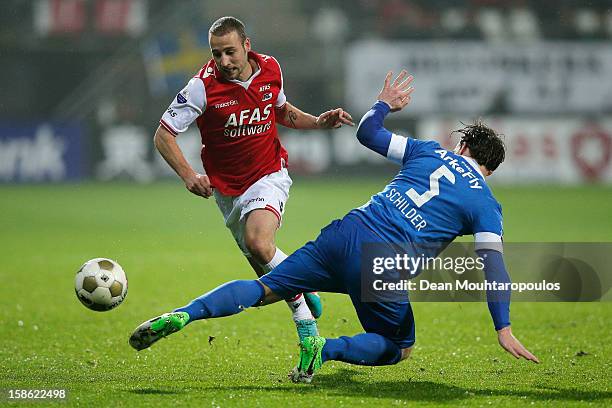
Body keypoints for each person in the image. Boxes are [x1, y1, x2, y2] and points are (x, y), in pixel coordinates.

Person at [131, 70, 539, 383]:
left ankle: (184, 315)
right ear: (489, 169)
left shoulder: (429, 151)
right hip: (383, 265)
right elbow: (494, 269)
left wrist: (382, 104)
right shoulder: (486, 204)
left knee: (265, 289)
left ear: (462, 148)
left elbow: (367, 133)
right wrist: (502, 327)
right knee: (400, 347)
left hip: (346, 232)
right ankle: (323, 349)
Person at [154, 16, 354, 341]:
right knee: (269, 276)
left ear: (247, 46)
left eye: (230, 52)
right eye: (216, 54)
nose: (224, 61)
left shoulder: (271, 68)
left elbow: (281, 111)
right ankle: (303, 287)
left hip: (268, 173)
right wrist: (188, 175)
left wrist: (318, 122)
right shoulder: (201, 87)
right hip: (227, 190)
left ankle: (308, 333)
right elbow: (164, 135)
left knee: (259, 243)